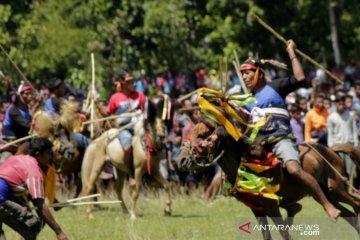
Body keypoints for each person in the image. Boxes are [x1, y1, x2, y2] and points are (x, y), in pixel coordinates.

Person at [239, 40, 341, 222]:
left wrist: (291, 52)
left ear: (259, 74)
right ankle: (289, 205)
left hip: (280, 140)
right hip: (260, 146)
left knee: (294, 169)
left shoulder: (275, 86)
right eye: (243, 74)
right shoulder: (247, 100)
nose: (244, 77)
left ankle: (328, 205)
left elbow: (300, 78)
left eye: (247, 73)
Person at [0, 137, 68, 240]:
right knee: (33, 226)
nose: (50, 157)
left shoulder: (17, 158)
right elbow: (40, 205)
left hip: (3, 195)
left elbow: (9, 183)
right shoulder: (33, 171)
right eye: (48, 153)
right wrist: (59, 232)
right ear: (38, 154)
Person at [95, 70, 145, 173]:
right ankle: (131, 172)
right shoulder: (115, 98)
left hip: (140, 127)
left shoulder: (140, 96)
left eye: (133, 81)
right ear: (124, 84)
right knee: (127, 148)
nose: (134, 84)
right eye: (130, 82)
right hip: (124, 129)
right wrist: (97, 105)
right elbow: (106, 114)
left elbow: (145, 110)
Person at [327, 96, 358, 175]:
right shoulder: (331, 117)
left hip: (349, 145)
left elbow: (354, 130)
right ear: (335, 104)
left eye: (342, 104)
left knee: (351, 170)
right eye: (339, 104)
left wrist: (356, 143)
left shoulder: (350, 115)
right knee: (340, 170)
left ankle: (352, 186)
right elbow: (330, 133)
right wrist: (331, 146)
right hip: (338, 146)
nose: (341, 106)